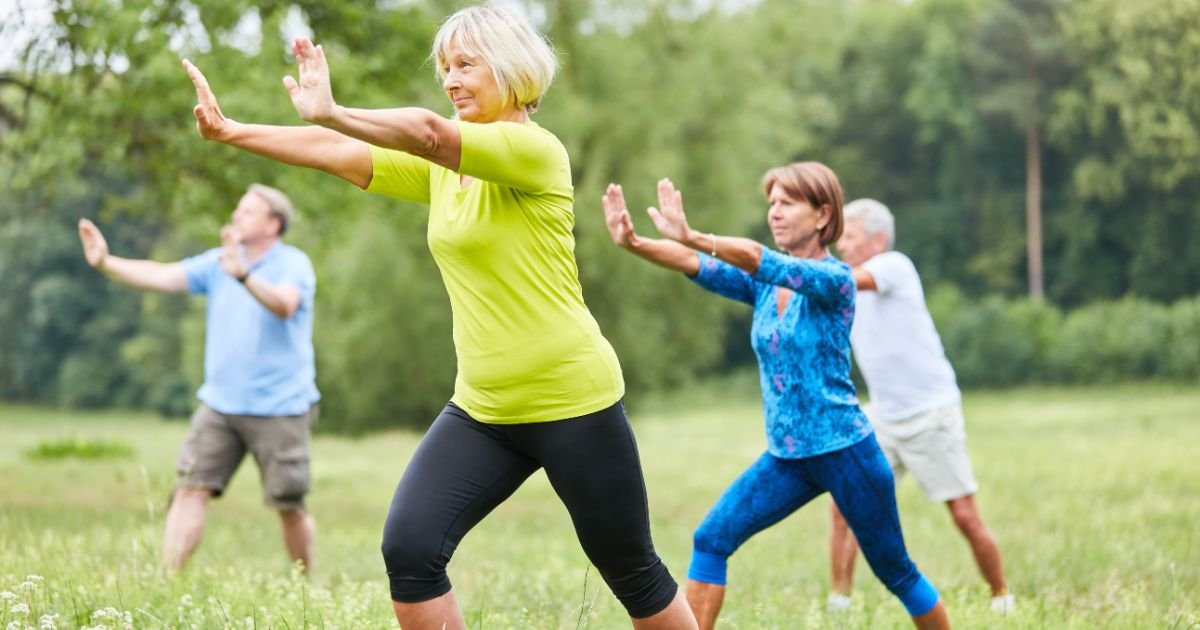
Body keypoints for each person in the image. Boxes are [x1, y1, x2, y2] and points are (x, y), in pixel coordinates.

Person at [182, 5, 697, 629]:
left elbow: (426, 131)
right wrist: (232, 130)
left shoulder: (534, 151)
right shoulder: (445, 173)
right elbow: (334, 150)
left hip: (571, 399)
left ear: (511, 69)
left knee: (630, 568)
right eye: (445, 68)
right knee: (410, 549)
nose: (451, 80)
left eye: (466, 64)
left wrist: (335, 109)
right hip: (483, 407)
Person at [602, 168, 952, 630]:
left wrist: (692, 234)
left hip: (846, 451)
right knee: (711, 539)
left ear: (823, 213)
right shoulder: (764, 284)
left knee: (895, 570)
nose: (775, 212)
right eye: (772, 203)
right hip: (788, 457)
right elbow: (696, 265)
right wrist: (636, 244)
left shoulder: (835, 280)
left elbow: (754, 256)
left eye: (788, 202)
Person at [77, 184, 320, 573]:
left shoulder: (293, 264)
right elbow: (162, 275)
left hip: (280, 407)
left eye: (248, 212)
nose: (237, 215)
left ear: (273, 224)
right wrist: (106, 262)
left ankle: (305, 586)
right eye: (238, 209)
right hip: (220, 405)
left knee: (288, 505)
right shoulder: (218, 263)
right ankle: (166, 582)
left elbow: (284, 305)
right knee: (190, 489)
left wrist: (244, 276)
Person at [829, 198, 1013, 613]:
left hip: (931, 412)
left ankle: (1002, 597)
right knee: (844, 508)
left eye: (850, 236)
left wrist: (798, 268)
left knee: (964, 515)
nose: (842, 245)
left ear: (877, 238)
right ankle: (838, 604)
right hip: (883, 416)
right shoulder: (843, 282)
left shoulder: (894, 266)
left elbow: (842, 281)